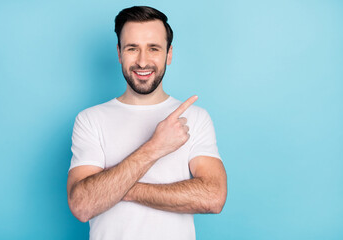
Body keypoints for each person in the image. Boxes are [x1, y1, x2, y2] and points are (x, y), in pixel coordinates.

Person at [67, 6, 227, 240]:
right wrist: (155, 147)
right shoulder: (90, 119)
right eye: (132, 48)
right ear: (119, 53)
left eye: (153, 48)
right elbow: (82, 205)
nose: (142, 62)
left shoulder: (196, 118)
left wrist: (119, 189)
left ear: (168, 54)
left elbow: (213, 197)